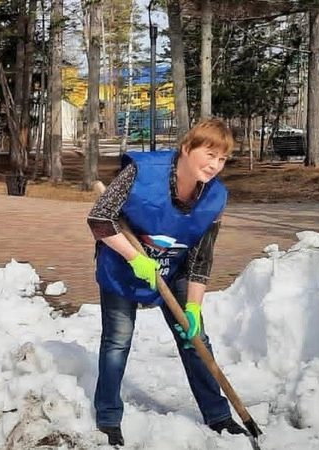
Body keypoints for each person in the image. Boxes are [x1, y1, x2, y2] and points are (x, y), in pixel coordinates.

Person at [87, 118, 246, 447]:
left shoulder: (215, 198)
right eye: (209, 154)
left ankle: (218, 414)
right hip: (121, 265)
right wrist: (135, 259)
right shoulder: (142, 172)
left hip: (174, 270)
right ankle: (107, 416)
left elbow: (201, 256)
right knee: (117, 340)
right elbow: (100, 218)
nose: (215, 165)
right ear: (187, 148)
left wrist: (193, 307)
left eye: (222, 159)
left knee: (195, 338)